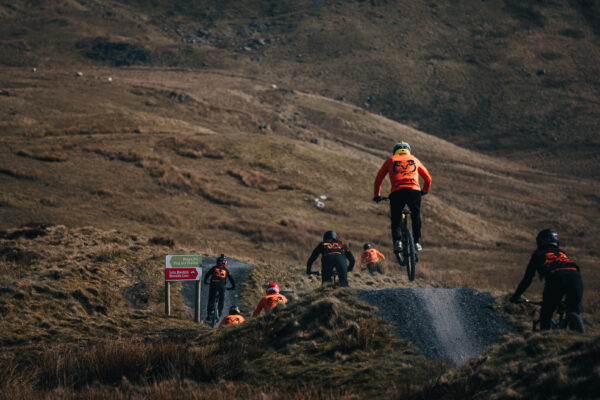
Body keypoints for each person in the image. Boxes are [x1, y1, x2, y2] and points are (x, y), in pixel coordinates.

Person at [509, 229, 584, 330]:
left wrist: (516, 296)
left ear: (540, 241)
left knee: (546, 314)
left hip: (557, 278)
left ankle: (545, 338)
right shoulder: (562, 253)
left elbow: (527, 279)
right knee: (573, 311)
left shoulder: (538, 254)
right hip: (576, 277)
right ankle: (577, 339)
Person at [373, 141, 431, 253]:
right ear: (408, 151)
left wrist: (377, 195)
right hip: (414, 191)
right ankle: (416, 242)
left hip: (397, 192)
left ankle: (398, 241)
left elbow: (378, 178)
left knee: (396, 217)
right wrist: (424, 191)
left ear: (395, 151)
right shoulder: (414, 159)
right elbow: (428, 178)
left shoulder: (391, 160)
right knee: (416, 215)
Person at [203, 254, 235, 321]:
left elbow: (207, 275)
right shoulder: (226, 270)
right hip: (222, 286)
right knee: (221, 300)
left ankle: (209, 315)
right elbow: (231, 279)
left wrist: (205, 281)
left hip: (213, 285)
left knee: (211, 300)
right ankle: (219, 313)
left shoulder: (214, 268)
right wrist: (233, 287)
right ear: (225, 262)